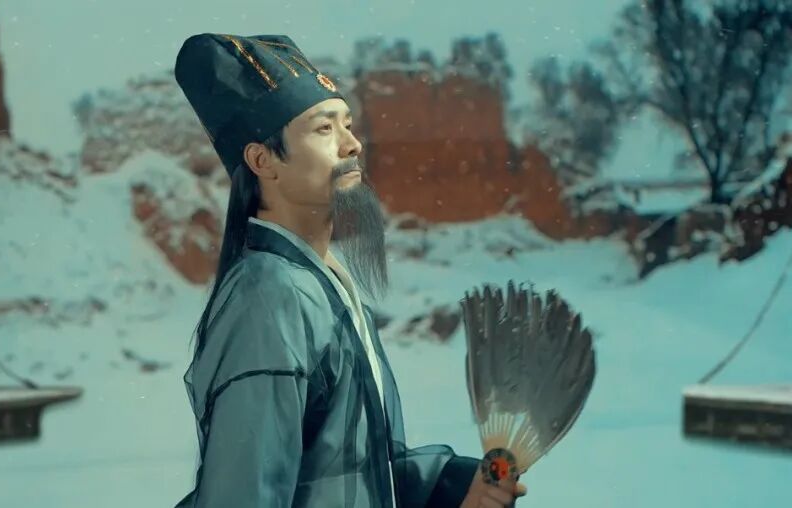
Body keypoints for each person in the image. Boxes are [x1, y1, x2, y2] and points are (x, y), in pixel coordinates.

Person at [172, 33, 527, 507]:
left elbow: (347, 468)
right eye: (324, 129)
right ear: (262, 160)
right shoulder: (269, 295)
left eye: (348, 125)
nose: (352, 144)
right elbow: (246, 492)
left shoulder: (320, 279)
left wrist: (455, 487)